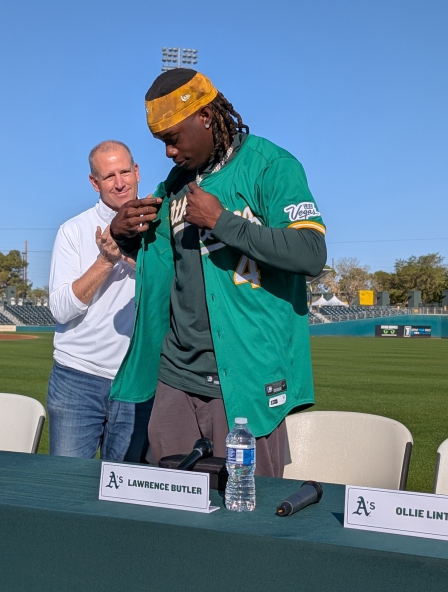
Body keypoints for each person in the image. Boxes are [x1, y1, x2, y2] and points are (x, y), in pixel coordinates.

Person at [109, 69, 327, 476]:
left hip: (245, 375)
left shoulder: (270, 165)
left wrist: (222, 221)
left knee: (248, 515)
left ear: (206, 117)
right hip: (176, 374)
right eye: (162, 143)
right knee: (168, 510)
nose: (169, 153)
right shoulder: (174, 185)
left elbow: (312, 253)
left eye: (172, 139)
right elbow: (160, 270)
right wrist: (123, 235)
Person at [48, 140, 150, 461]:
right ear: (95, 183)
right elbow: (61, 310)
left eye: (124, 172)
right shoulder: (73, 231)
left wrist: (134, 258)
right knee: (65, 489)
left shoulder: (163, 229)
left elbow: (179, 294)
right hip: (77, 380)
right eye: (108, 176)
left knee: (125, 495)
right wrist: (105, 261)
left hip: (138, 381)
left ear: (137, 172)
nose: (119, 183)